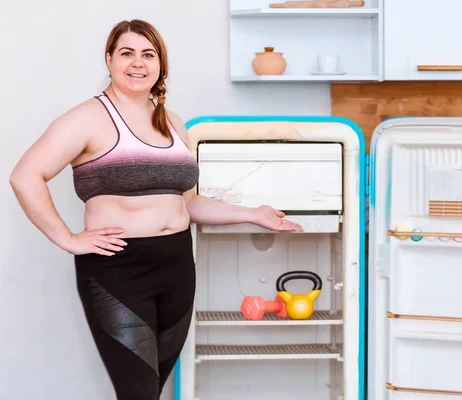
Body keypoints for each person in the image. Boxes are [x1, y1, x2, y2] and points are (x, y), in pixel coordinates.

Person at [9, 19, 303, 399]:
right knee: (138, 393)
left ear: (160, 65)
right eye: (127, 53)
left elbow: (188, 202)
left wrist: (252, 213)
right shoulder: (88, 118)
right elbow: (25, 176)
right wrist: (66, 238)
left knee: (151, 389)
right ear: (109, 59)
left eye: (148, 55)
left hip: (177, 267)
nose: (138, 63)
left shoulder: (173, 124)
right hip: (119, 271)